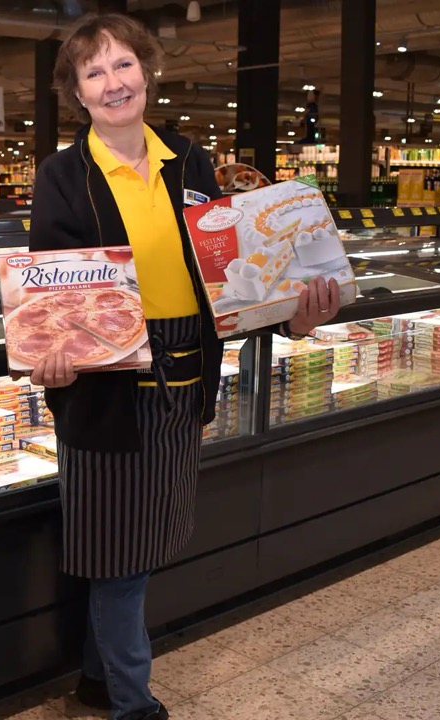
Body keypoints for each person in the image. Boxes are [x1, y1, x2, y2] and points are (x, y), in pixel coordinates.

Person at [27, 13, 341, 720]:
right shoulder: (63, 176)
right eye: (94, 72)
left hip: (184, 380)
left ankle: (96, 681)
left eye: (123, 65)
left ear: (147, 71)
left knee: (135, 547)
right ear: (77, 92)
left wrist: (296, 315)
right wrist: (50, 354)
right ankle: (133, 707)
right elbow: (51, 288)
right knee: (120, 560)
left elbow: (233, 278)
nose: (113, 83)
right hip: (108, 389)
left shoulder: (191, 161)